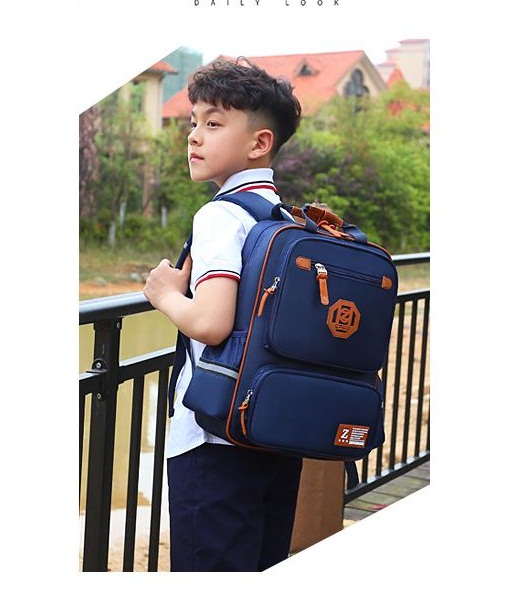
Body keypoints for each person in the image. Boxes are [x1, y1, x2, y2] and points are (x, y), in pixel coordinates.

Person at [143, 58, 303, 572]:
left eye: (213, 123)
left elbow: (211, 324)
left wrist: (165, 293)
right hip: (274, 431)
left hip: (215, 440)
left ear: (259, 143)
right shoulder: (285, 218)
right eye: (194, 122)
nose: (194, 135)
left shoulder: (220, 215)